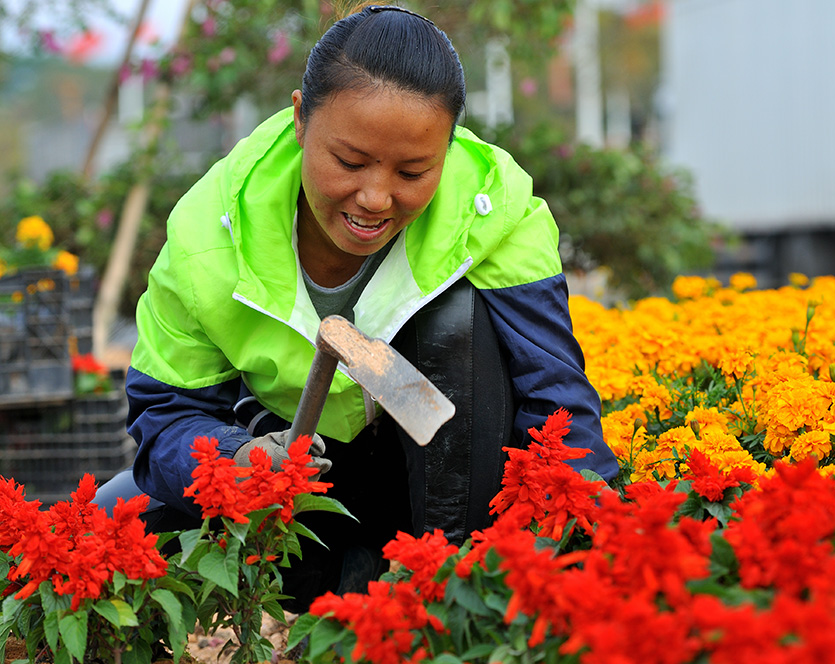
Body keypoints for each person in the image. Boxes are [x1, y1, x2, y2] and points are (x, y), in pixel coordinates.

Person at [97, 3, 619, 611]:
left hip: (452, 483)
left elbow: (555, 394)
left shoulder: (493, 204)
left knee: (456, 321)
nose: (374, 198)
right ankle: (344, 587)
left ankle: (446, 591)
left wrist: (600, 543)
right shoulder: (207, 240)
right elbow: (164, 417)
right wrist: (239, 458)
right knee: (114, 520)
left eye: (413, 171)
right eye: (348, 163)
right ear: (299, 118)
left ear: (448, 150)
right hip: (304, 487)